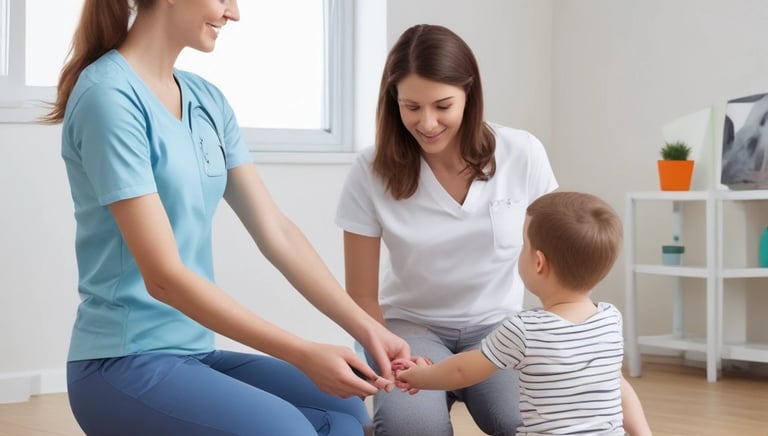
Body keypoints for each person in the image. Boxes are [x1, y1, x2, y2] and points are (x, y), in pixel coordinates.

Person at [43, 1, 409, 435]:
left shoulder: (207, 100)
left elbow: (277, 233)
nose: (233, 14)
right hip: (120, 363)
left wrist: (366, 329)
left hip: (195, 354)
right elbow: (163, 277)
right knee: (294, 430)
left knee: (346, 412)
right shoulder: (109, 96)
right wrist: (303, 353)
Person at [335, 24, 650, 436]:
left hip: (501, 327)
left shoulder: (522, 153)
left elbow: (561, 238)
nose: (426, 122)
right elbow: (360, 294)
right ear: (393, 102)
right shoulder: (371, 168)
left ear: (470, 94)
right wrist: (388, 354)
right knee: (413, 429)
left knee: (530, 421)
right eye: (411, 107)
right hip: (411, 330)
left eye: (442, 105)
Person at [394, 191, 652, 435]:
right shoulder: (609, 319)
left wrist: (421, 376)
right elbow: (619, 388)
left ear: (538, 263)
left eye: (524, 243)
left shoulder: (525, 329)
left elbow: (463, 371)